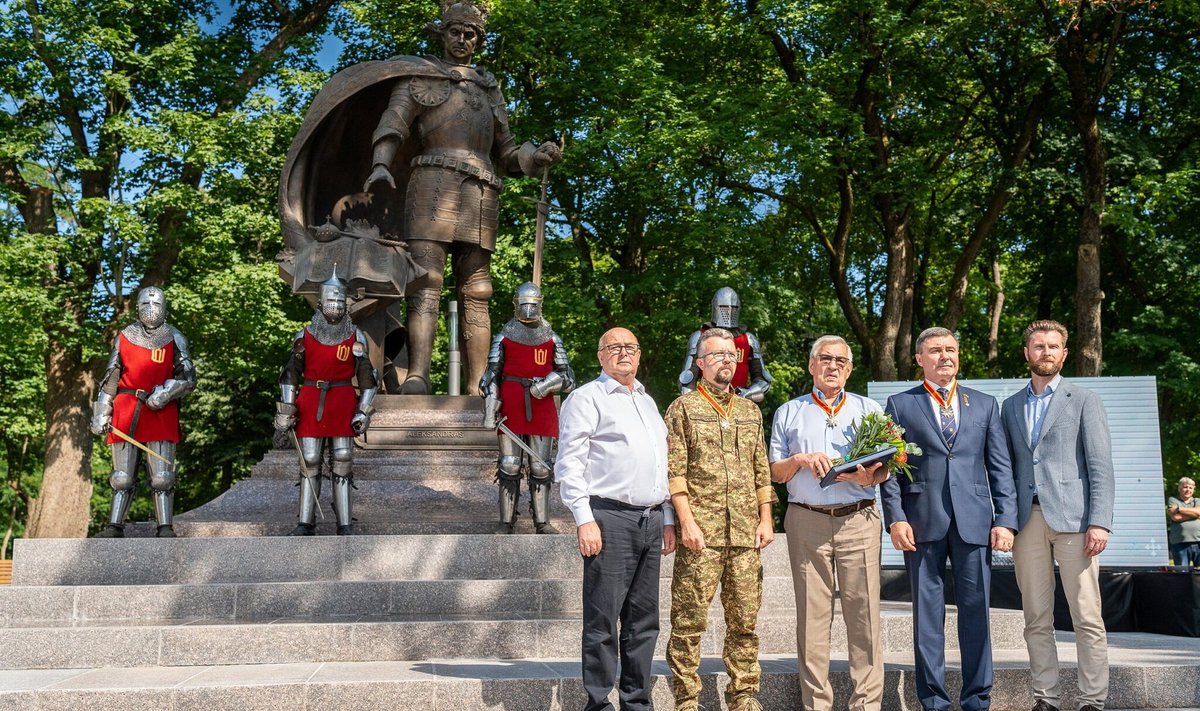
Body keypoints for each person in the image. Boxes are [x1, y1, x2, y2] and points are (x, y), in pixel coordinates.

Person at [363, 1, 563, 396]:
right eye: (455, 31)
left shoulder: (489, 89)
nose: (462, 40)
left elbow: (505, 153)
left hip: (481, 191)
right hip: (431, 184)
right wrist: (382, 163)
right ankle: (417, 374)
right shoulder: (419, 78)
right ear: (443, 33)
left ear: (479, 40)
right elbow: (394, 122)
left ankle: (476, 383)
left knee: (477, 289)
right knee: (425, 280)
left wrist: (535, 156)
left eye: (470, 34)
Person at [879, 326, 1016, 711]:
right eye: (935, 350)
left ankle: (977, 699)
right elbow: (889, 470)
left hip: (975, 523)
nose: (945, 356)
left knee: (976, 614)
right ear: (920, 359)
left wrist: (1005, 519)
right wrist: (895, 518)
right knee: (927, 618)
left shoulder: (985, 404)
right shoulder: (900, 404)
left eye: (951, 349)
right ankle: (933, 701)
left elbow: (1000, 468)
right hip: (921, 523)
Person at [555, 327, 676, 711]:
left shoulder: (648, 400)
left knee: (644, 622)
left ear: (639, 355)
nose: (624, 353)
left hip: (651, 520)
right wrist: (583, 518)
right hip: (609, 518)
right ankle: (598, 703)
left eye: (631, 347)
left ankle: (636, 702)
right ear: (601, 355)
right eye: (615, 347)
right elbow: (569, 463)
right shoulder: (586, 398)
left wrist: (668, 516)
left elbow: (662, 466)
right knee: (603, 620)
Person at [769, 335, 887, 711]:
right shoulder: (789, 411)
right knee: (812, 620)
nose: (832, 366)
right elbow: (774, 472)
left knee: (864, 617)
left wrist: (872, 477)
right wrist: (800, 460)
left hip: (859, 519)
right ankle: (816, 704)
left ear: (850, 369)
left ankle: (866, 704)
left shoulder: (870, 409)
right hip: (807, 520)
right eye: (824, 359)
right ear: (811, 366)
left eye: (840, 360)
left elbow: (888, 467)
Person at [1002, 319, 1115, 711]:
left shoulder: (1084, 400)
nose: (1046, 352)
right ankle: (1045, 698)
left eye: (1053, 346)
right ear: (1027, 353)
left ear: (1064, 354)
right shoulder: (1010, 406)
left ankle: (1092, 700)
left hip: (1076, 524)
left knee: (1086, 616)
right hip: (1027, 522)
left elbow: (1100, 466)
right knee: (1036, 616)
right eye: (1038, 346)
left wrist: (1100, 521)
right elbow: (1010, 467)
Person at [665, 327, 776, 711]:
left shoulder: (750, 411)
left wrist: (766, 519)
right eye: (717, 355)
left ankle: (743, 695)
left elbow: (761, 468)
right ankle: (686, 699)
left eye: (732, 355)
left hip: (746, 536)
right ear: (699, 364)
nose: (727, 361)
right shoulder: (683, 409)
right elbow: (674, 472)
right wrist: (686, 522)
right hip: (702, 536)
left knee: (745, 621)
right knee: (688, 622)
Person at [275, 271, 378, 536]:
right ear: (320, 302)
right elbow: (290, 376)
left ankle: (344, 522)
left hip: (342, 400)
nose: (335, 305)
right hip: (310, 398)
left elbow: (369, 380)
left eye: (339, 300)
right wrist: (287, 409)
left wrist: (363, 411)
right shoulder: (305, 335)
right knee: (309, 459)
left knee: (343, 458)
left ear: (346, 303)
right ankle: (306, 521)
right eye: (330, 300)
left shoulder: (356, 336)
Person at [91, 287, 196, 538]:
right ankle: (115, 525)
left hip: (160, 411)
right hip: (126, 410)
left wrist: (166, 393)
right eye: (146, 304)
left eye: (156, 304)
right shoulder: (125, 336)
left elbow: (188, 377)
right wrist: (102, 411)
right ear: (137, 307)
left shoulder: (174, 337)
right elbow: (111, 376)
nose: (151, 309)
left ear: (165, 308)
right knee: (121, 477)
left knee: (162, 477)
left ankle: (165, 526)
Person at [479, 281, 575, 534]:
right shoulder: (504, 337)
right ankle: (506, 521)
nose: (529, 309)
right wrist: (491, 408)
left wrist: (545, 385)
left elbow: (568, 378)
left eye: (533, 304)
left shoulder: (552, 338)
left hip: (541, 405)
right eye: (524, 304)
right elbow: (490, 376)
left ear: (540, 304)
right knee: (510, 463)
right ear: (516, 305)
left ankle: (542, 522)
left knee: (541, 466)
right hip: (511, 403)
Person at [678, 287, 773, 403]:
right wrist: (693, 403)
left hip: (739, 402)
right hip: (707, 401)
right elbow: (688, 378)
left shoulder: (748, 340)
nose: (728, 312)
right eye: (724, 308)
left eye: (733, 309)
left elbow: (762, 379)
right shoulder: (701, 337)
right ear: (716, 308)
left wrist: (747, 393)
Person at [1168, 477, 1200, 567]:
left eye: (1190, 487)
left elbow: (1198, 512)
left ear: (1193, 489)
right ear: (1179, 488)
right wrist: (1195, 515)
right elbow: (1175, 517)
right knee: (1182, 573)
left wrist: (1179, 509)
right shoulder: (1173, 500)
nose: (1188, 490)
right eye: (1185, 487)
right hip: (1180, 544)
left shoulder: (1197, 501)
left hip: (1199, 542)